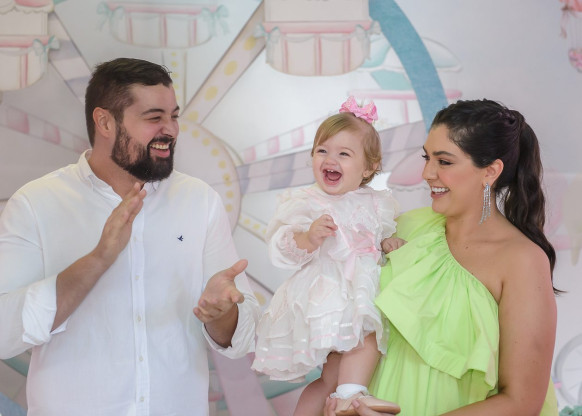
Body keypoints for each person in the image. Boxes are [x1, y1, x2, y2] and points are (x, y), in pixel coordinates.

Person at [0, 57, 260, 416]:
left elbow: (241, 337)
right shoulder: (36, 204)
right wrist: (98, 260)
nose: (171, 130)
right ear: (105, 122)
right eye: (154, 118)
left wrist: (221, 314)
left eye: (174, 116)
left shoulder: (200, 202)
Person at [325, 98, 559, 416]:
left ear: (490, 171)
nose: (427, 173)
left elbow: (522, 401)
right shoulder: (401, 228)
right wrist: (341, 400)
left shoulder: (522, 261)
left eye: (444, 162)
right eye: (427, 157)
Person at [251, 97, 404, 416]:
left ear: (369, 167)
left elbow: (378, 236)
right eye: (322, 150)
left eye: (344, 154)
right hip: (327, 291)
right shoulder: (307, 201)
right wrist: (308, 238)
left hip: (359, 286)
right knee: (367, 334)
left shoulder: (377, 202)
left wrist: (387, 242)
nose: (330, 159)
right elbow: (283, 245)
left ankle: (332, 397)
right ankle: (351, 395)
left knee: (330, 375)